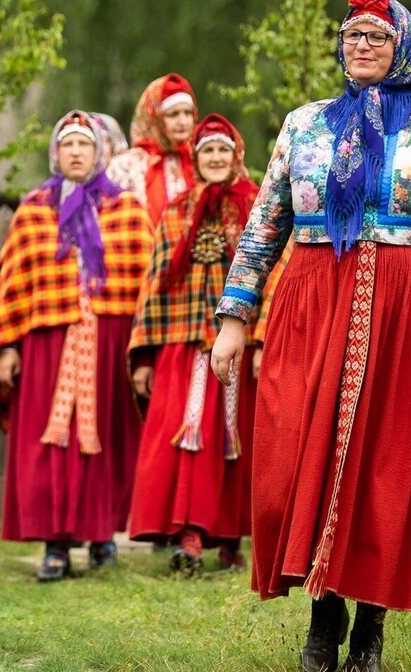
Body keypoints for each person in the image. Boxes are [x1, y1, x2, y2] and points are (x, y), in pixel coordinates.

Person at [211, 0, 411, 672]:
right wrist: (232, 318)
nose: (361, 45)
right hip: (313, 304)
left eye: (376, 35)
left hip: (410, 314)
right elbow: (264, 225)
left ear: (403, 46)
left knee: (385, 465)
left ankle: (367, 629)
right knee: (293, 454)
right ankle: (321, 613)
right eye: (351, 35)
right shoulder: (304, 125)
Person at [0, 110, 154, 582]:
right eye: (67, 144)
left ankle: (102, 535)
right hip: (48, 345)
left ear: (100, 152)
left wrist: (144, 352)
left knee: (107, 443)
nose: (76, 152)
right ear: (55, 154)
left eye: (84, 144)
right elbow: (13, 283)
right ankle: (55, 545)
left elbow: (145, 284)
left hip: (110, 342)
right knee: (50, 447)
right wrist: (7, 347)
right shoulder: (35, 210)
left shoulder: (126, 209)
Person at [126, 114, 259, 576]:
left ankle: (231, 536)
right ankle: (189, 536)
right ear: (196, 159)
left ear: (236, 154)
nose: (217, 158)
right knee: (187, 437)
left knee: (236, 437)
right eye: (208, 152)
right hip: (184, 346)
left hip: (239, 344)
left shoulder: (256, 207)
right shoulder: (177, 210)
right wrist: (144, 355)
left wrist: (258, 338)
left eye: (224, 150)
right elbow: (156, 284)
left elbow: (273, 271)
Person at [106, 73, 198, 225]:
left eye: (188, 113)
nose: (183, 121)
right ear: (154, 117)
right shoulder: (126, 165)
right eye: (173, 114)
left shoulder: (200, 161)